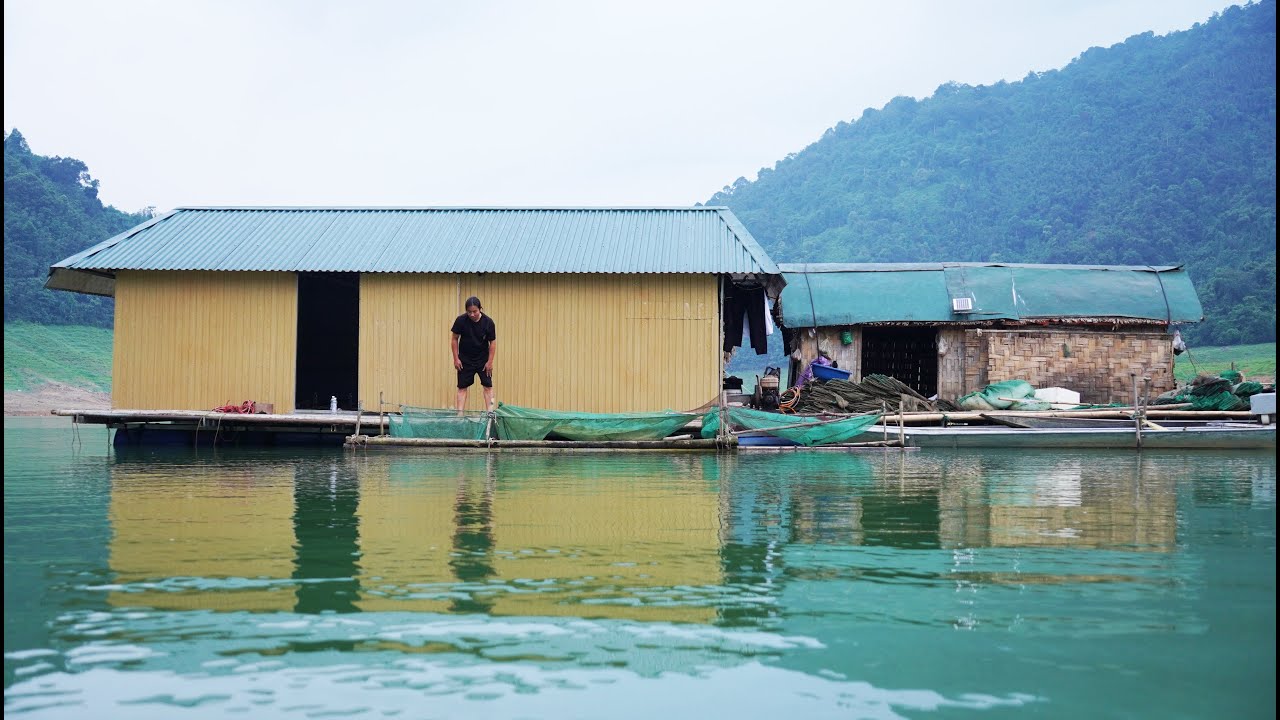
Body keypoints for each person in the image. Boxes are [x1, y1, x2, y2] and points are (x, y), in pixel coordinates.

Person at [451, 296, 497, 414]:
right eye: (469, 312)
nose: (472, 314)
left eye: (475, 311)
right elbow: (454, 339)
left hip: (483, 360)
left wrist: (490, 362)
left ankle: (490, 413)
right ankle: (459, 415)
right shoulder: (461, 321)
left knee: (488, 386)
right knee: (462, 387)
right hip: (465, 360)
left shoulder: (488, 322)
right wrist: (456, 359)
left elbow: (492, 342)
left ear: (480, 309)